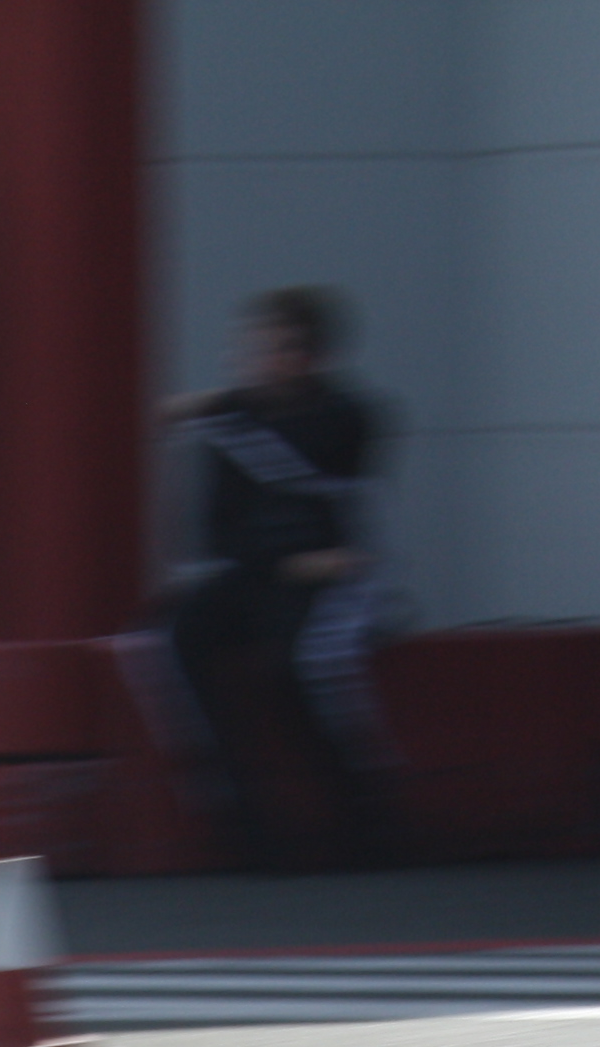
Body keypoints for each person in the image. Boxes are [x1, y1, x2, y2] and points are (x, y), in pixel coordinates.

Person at [151, 286, 402, 871]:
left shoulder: (348, 417)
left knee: (295, 663)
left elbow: (328, 460)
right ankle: (239, 814)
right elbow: (220, 532)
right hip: (266, 571)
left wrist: (223, 403)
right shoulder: (228, 429)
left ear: (313, 357)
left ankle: (361, 814)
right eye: (256, 349)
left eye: (282, 349)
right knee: (179, 635)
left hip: (334, 579)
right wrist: (285, 564)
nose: (264, 361)